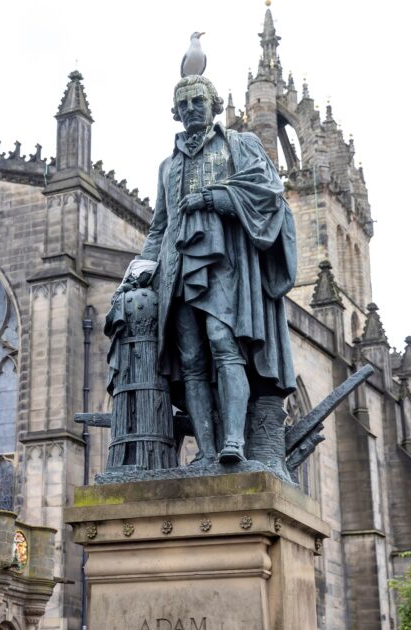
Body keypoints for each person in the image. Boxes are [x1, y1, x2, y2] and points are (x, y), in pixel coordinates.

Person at [121, 75, 297, 464]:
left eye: (197, 101)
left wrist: (213, 198)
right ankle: (206, 451)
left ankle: (234, 441)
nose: (190, 110)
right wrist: (138, 272)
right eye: (182, 105)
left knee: (223, 343)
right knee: (191, 361)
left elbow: (268, 193)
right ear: (175, 112)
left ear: (213, 105)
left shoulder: (239, 144)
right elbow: (159, 227)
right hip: (176, 269)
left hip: (225, 262)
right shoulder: (168, 166)